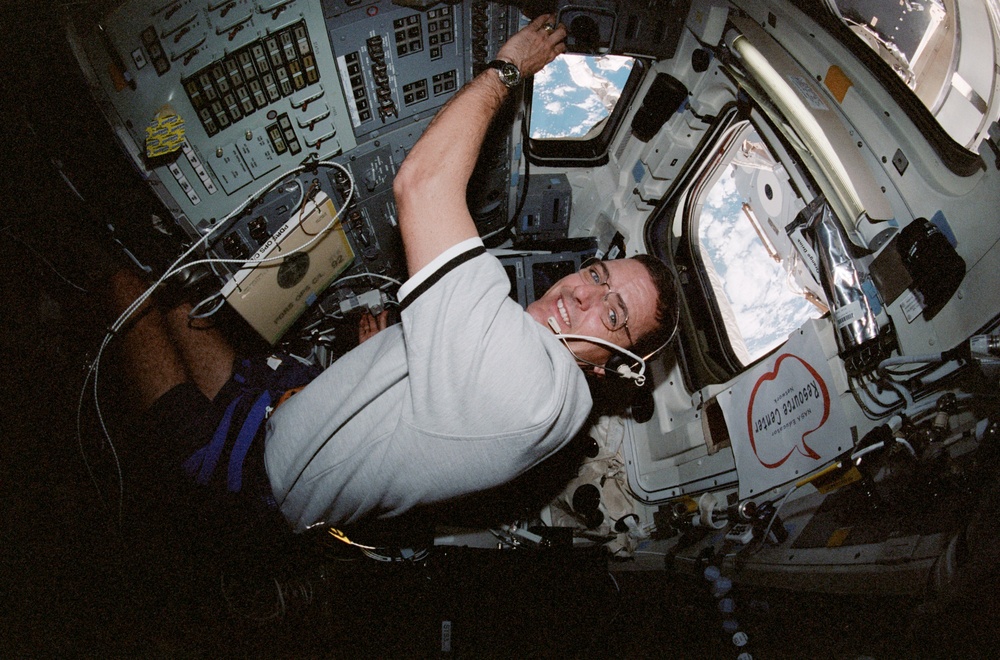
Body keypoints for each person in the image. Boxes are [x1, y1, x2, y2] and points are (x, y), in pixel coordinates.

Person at [109, 14, 676, 536]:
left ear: (610, 367)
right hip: (286, 411)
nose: (582, 295)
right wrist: (381, 365)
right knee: (184, 306)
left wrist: (510, 67)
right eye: (597, 275)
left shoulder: (531, 380)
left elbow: (422, 183)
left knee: (124, 287)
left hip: (249, 477)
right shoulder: (554, 405)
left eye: (613, 314)